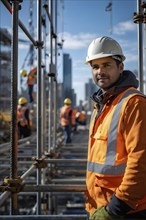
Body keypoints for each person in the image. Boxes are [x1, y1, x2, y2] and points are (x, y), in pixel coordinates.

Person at [84, 36, 146, 220]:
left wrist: (115, 208)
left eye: (106, 65)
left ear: (120, 67)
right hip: (100, 205)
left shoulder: (134, 104)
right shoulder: (101, 105)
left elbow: (141, 162)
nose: (100, 71)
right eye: (95, 67)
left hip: (126, 211)